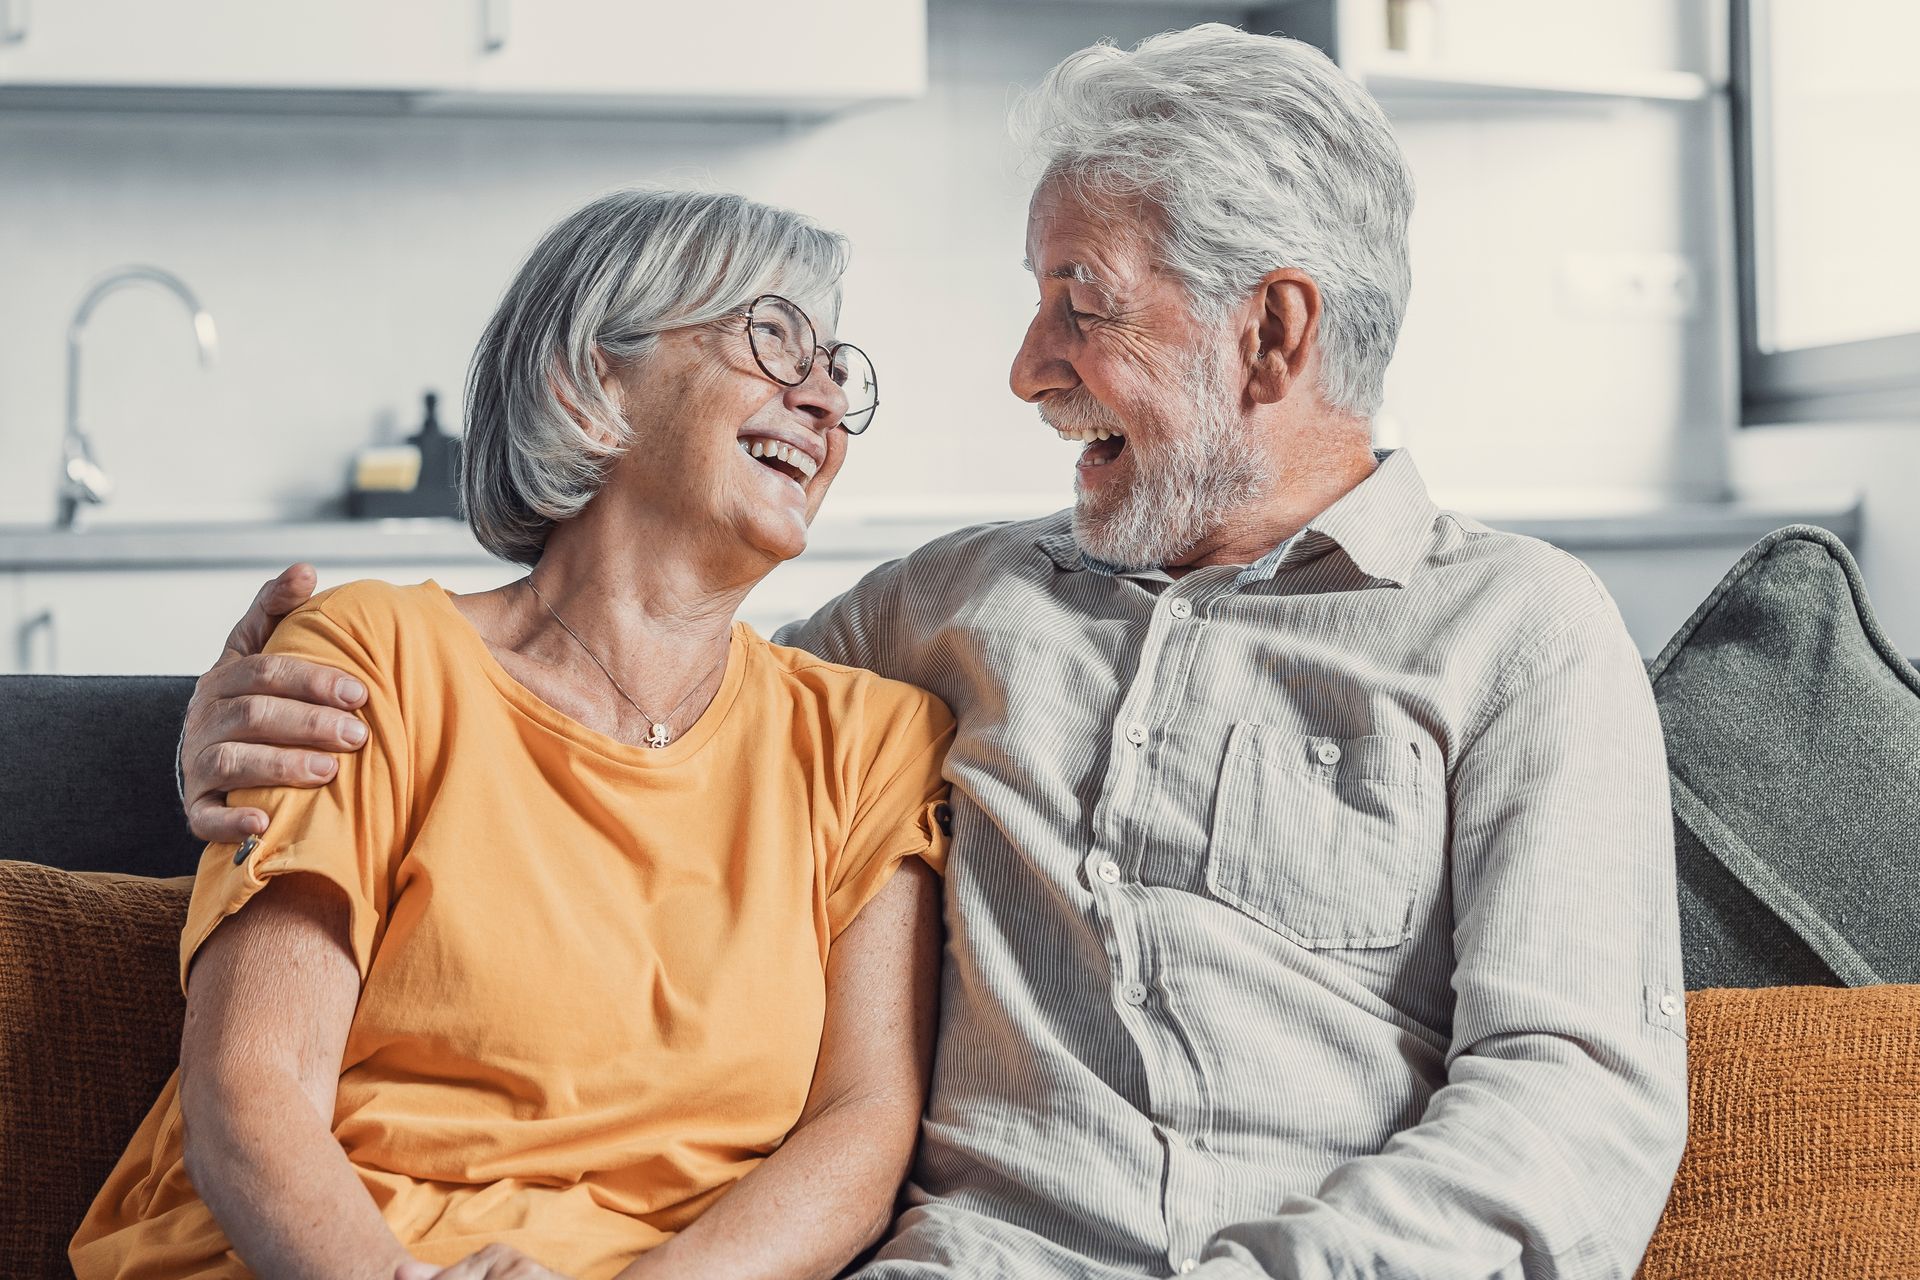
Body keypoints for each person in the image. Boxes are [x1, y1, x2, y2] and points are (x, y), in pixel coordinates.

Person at [170, 25, 1689, 1280]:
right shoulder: (941, 618)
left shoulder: (1518, 634)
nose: (1025, 369)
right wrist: (233, 717)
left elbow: (1576, 1105)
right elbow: (621, 703)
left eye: (1077, 307)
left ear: (1272, 335)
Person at [72, 189, 956, 1280]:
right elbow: (250, 1089)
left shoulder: (869, 739)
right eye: (773, 337)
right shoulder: (375, 660)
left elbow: (860, 1133)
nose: (822, 397)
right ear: (590, 388)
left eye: (837, 367)